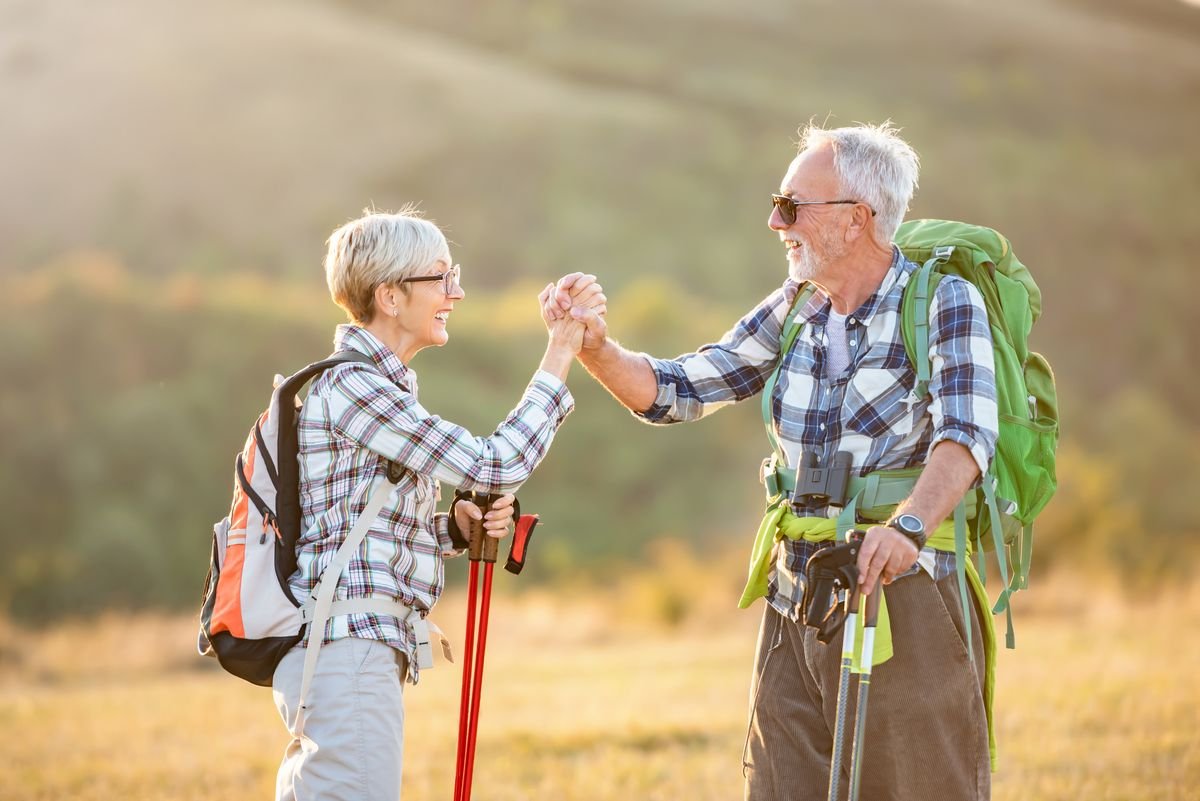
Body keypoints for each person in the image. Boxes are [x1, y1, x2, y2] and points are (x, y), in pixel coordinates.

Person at [544, 122, 999, 800]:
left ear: (857, 219)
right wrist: (595, 348)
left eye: (791, 206)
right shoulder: (796, 308)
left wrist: (906, 528)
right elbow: (682, 387)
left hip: (906, 599)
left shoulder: (942, 302)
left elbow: (967, 437)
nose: (773, 220)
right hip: (799, 598)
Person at [271, 207, 605, 801]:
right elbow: (496, 464)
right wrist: (560, 353)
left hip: (345, 648)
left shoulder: (376, 384)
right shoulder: (356, 385)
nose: (457, 292)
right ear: (390, 297)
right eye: (441, 279)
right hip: (349, 653)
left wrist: (453, 527)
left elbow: (357, 529)